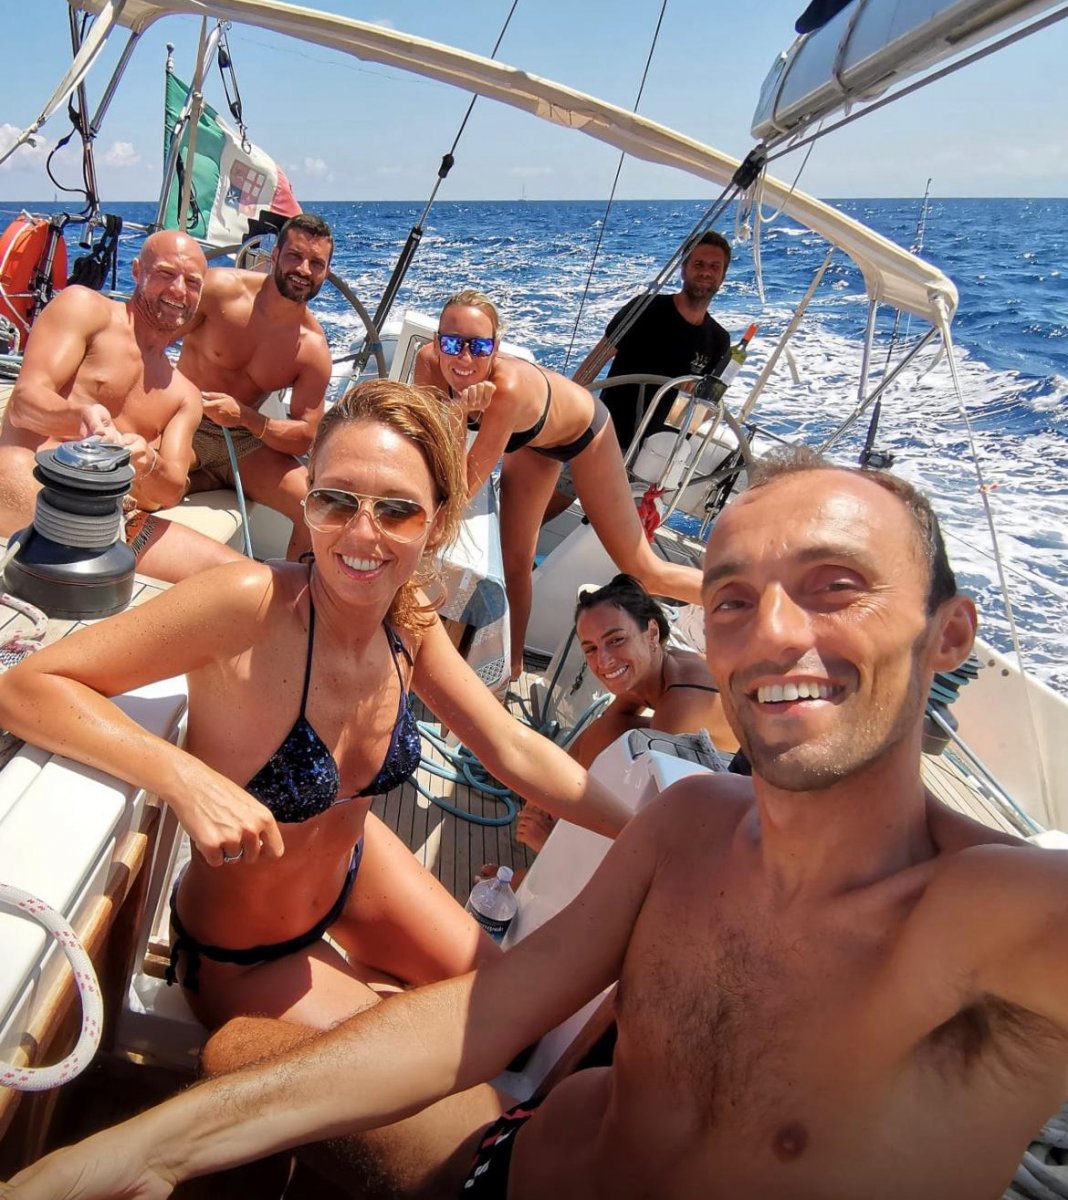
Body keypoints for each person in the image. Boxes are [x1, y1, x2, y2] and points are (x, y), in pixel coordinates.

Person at [14, 449, 1068, 1200]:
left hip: (363, 913)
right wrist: (152, 1147)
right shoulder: (692, 822)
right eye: (736, 600)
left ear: (950, 636)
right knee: (241, 1054)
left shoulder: (997, 918)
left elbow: (516, 757)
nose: (777, 634)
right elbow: (487, 1013)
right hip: (499, 1157)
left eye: (837, 589)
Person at [0, 379, 629, 1035]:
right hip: (242, 955)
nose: (363, 534)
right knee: (446, 1065)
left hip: (353, 874)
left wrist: (649, 833)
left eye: (397, 512)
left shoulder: (408, 618)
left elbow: (510, 746)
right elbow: (25, 687)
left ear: (437, 521)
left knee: (520, 1018)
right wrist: (183, 777)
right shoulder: (247, 603)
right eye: (335, 502)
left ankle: (371, 992)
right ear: (308, 504)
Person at [414, 289, 704, 676]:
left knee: (643, 569)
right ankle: (511, 669)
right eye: (453, 343)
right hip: (532, 440)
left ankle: (742, 595)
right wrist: (454, 411)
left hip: (585, 435)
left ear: (496, 348)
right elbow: (425, 449)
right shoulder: (427, 365)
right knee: (515, 560)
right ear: (436, 343)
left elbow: (462, 485)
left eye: (479, 346)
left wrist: (455, 411)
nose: (465, 358)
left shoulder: (507, 391)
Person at [0, 230, 244, 583]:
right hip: (31, 484)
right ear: (136, 271)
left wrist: (145, 461)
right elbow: (25, 404)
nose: (178, 290)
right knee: (9, 465)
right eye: (165, 273)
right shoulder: (84, 308)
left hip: (118, 522)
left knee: (242, 579)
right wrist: (79, 418)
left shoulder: (184, 395)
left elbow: (170, 489)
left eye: (193, 282)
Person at [515, 573, 739, 854]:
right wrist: (546, 795)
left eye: (617, 640)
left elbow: (643, 835)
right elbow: (598, 733)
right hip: (685, 782)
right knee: (607, 731)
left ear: (652, 633)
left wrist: (549, 847)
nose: (604, 660)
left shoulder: (681, 706)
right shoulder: (654, 669)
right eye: (591, 649)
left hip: (721, 813)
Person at [177, 213, 335, 560]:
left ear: (326, 272)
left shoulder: (312, 348)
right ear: (274, 256)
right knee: (152, 479)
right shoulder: (219, 290)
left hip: (243, 438)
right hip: (182, 419)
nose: (304, 270)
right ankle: (202, 479)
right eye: (294, 256)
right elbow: (150, 343)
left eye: (316, 263)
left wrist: (247, 418)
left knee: (318, 512)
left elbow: (307, 434)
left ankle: (291, 601)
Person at [573, 230, 732, 453]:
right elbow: (594, 362)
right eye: (698, 264)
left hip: (658, 454)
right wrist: (564, 409)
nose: (706, 272)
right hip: (606, 437)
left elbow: (702, 412)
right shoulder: (644, 308)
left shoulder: (719, 340)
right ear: (683, 270)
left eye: (715, 266)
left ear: (723, 276)